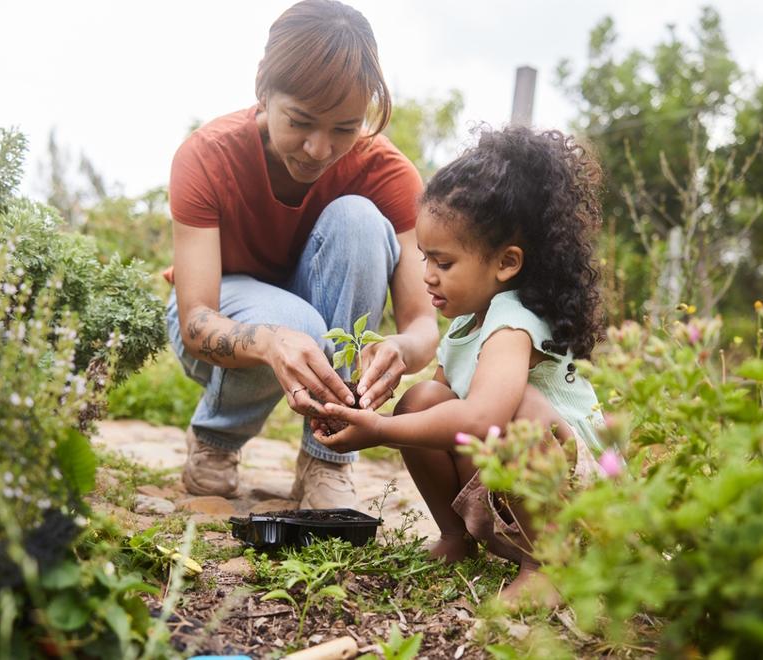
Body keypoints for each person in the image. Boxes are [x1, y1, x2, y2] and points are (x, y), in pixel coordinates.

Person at [313, 125, 607, 602]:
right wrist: (366, 404)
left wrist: (379, 430)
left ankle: (550, 566)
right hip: (513, 497)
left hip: (581, 502)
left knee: (520, 412)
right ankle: (458, 537)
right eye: (424, 257)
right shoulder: (464, 328)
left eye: (444, 263)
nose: (427, 275)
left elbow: (481, 419)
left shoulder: (514, 322)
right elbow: (438, 416)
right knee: (423, 399)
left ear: (506, 263)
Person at [165, 0, 440, 509]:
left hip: (312, 324)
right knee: (295, 322)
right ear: (263, 92)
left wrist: (401, 349)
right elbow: (195, 321)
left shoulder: (389, 175)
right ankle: (217, 439)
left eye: (344, 128)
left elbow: (424, 325)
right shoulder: (207, 157)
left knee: (359, 218)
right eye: (301, 122)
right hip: (222, 321)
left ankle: (326, 458)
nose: (319, 149)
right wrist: (271, 343)